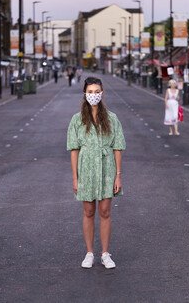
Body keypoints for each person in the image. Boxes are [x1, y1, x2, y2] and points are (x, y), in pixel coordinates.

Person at [67, 77, 126, 269]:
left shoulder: (112, 118)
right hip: (86, 168)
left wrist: (118, 174)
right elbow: (74, 149)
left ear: (102, 93)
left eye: (97, 91)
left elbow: (118, 147)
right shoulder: (77, 119)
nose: (94, 95)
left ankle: (105, 254)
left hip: (107, 168)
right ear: (85, 94)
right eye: (90, 92)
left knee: (105, 211)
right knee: (88, 211)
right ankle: (89, 253)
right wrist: (75, 178)